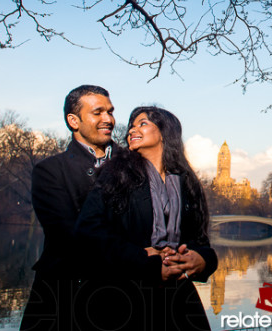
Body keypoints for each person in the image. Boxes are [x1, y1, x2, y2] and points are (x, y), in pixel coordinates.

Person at [73, 106, 217, 331]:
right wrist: (142, 259)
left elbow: (201, 241)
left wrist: (202, 260)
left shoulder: (187, 183)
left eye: (142, 124)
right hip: (123, 296)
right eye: (131, 126)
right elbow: (88, 231)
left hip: (177, 300)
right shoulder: (116, 173)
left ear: (164, 132)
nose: (132, 130)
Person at [20, 85, 117, 331]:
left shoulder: (137, 167)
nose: (108, 119)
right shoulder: (50, 171)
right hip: (66, 301)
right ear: (74, 121)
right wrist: (140, 255)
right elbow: (69, 237)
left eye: (110, 111)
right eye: (98, 112)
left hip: (127, 300)